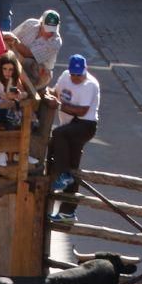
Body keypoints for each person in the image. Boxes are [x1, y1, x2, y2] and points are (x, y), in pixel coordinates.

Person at [49, 54, 100, 223]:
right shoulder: (65, 76)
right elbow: (55, 92)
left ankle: (63, 175)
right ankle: (67, 212)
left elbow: (82, 111)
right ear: (69, 72)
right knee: (73, 166)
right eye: (74, 74)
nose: (77, 77)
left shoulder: (90, 85)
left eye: (80, 74)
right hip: (70, 124)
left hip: (84, 125)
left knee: (58, 134)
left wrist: (60, 105)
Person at [8, 9, 62, 91]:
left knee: (28, 62)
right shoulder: (30, 23)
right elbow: (12, 36)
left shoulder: (55, 42)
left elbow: (28, 54)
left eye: (52, 30)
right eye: (47, 29)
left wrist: (15, 41)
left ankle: (25, 90)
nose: (50, 33)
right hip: (17, 57)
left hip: (39, 72)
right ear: (41, 23)